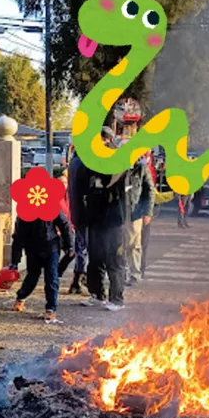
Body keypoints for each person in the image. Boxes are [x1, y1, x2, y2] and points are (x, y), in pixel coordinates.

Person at [81, 127, 128, 312]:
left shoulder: (117, 162)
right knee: (95, 258)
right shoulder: (93, 162)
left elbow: (109, 183)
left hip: (114, 221)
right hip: (95, 218)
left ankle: (116, 299)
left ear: (107, 141)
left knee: (114, 260)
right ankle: (96, 294)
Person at [11, 210, 73, 322]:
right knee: (32, 277)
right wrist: (15, 261)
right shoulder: (25, 212)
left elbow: (65, 225)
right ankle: (21, 297)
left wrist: (70, 246)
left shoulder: (52, 207)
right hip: (32, 249)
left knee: (51, 277)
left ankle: (51, 309)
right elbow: (18, 237)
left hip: (51, 247)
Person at [123, 150, 154, 285]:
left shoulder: (141, 169)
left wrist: (148, 211)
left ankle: (135, 273)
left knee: (134, 243)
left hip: (134, 210)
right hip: (118, 210)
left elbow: (150, 190)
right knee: (119, 243)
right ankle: (121, 273)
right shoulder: (116, 167)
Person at [66, 145, 89, 295]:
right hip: (87, 210)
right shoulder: (85, 164)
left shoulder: (74, 162)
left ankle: (77, 279)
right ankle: (83, 278)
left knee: (81, 245)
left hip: (76, 210)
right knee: (86, 247)